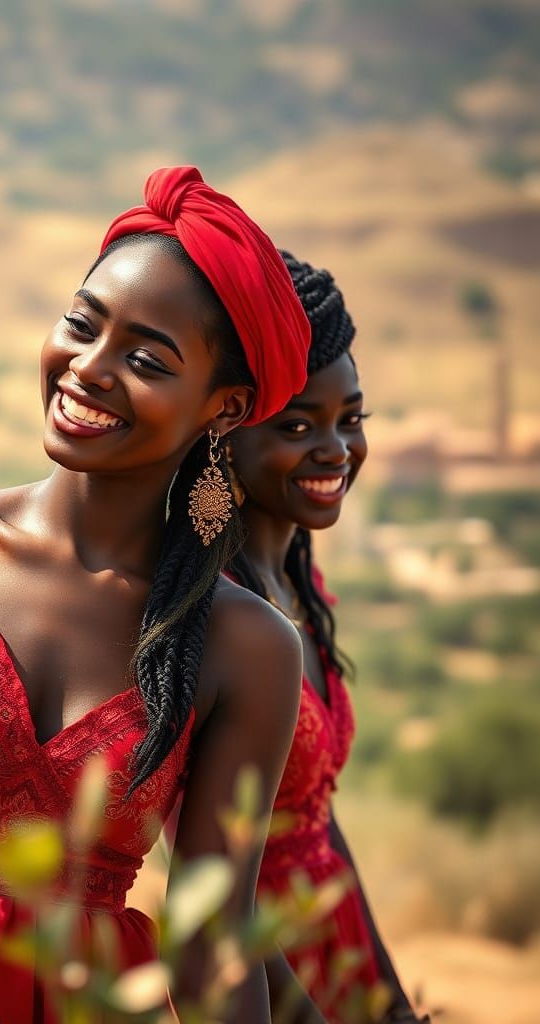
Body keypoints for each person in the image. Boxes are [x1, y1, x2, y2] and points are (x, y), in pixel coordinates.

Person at [0, 166, 311, 1023]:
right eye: (81, 325)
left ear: (226, 408)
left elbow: (214, 933)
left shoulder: (243, 646)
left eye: (144, 359)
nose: (88, 368)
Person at [226, 253, 425, 1024]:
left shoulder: (298, 591)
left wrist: (391, 1002)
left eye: (352, 420)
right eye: (299, 425)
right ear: (224, 432)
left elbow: (322, 828)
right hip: (265, 976)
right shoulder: (214, 620)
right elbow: (210, 889)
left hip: (336, 950)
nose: (338, 450)